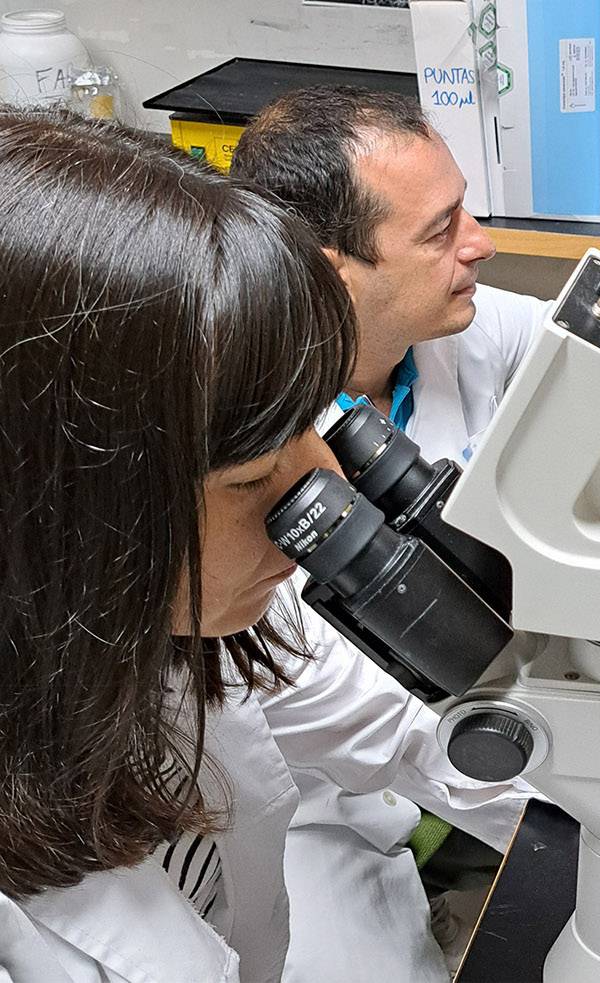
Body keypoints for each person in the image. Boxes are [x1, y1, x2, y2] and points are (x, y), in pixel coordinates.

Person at [229, 85, 600, 976]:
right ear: (326, 269)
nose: (480, 243)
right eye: (439, 231)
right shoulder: (245, 455)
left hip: (485, 728)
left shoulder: (439, 331)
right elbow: (383, 725)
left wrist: (599, 546)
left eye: (465, 206)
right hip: (319, 805)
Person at [0, 109, 450, 982]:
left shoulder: (201, 615)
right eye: (250, 478)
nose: (324, 492)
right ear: (60, 516)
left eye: (319, 418)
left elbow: (419, 735)